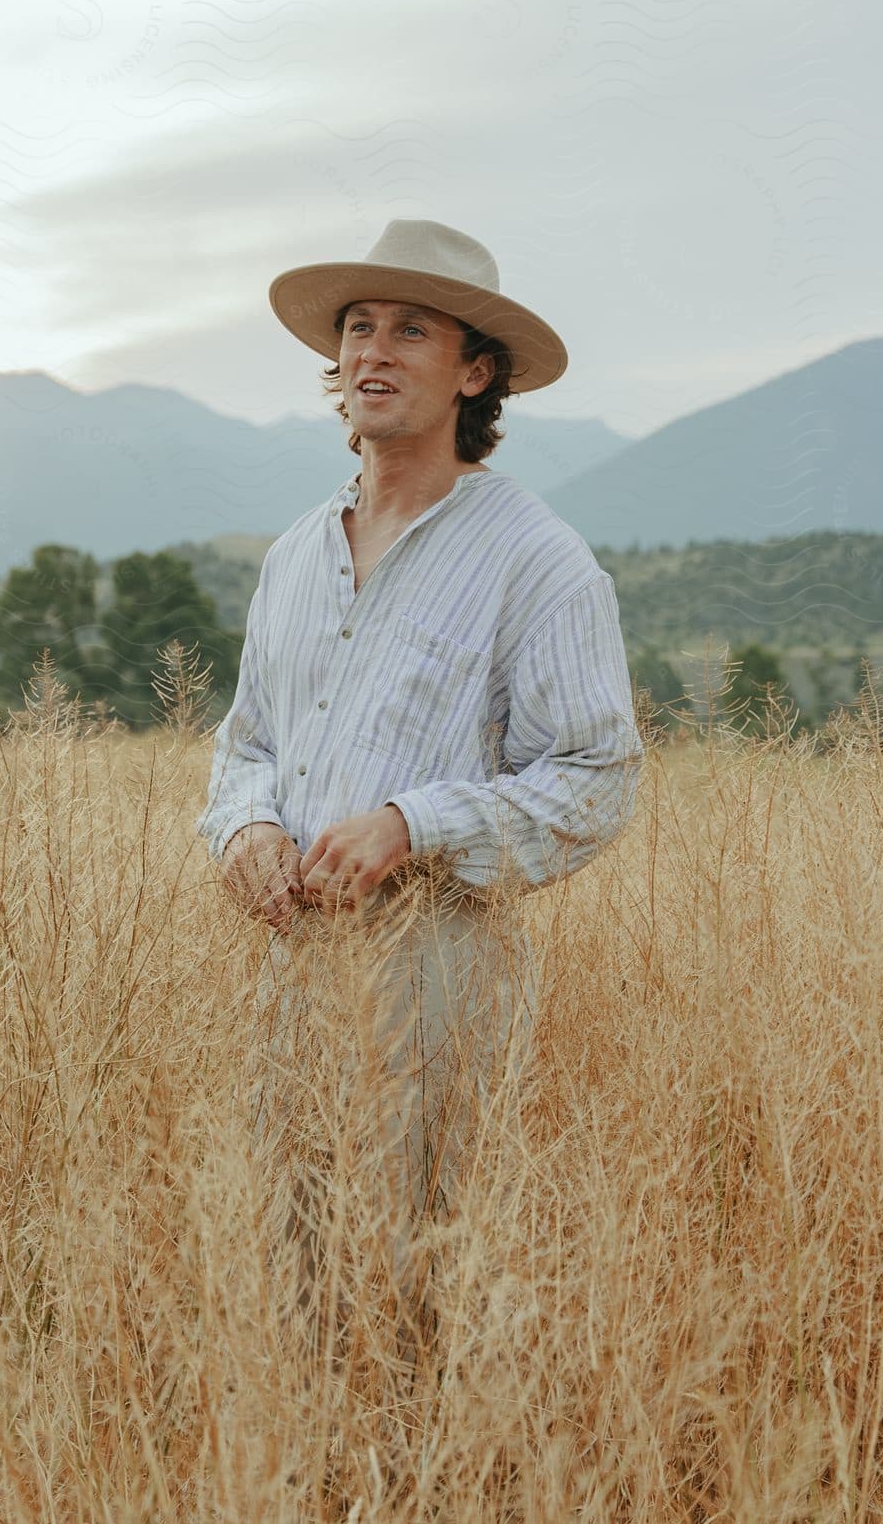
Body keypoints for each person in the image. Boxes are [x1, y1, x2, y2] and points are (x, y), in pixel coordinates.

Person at [195, 218, 643, 1382]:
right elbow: (243, 742)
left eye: (411, 329)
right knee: (286, 1269)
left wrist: (413, 824)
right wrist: (242, 824)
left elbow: (596, 773)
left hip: (435, 968)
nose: (374, 352)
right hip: (282, 967)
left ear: (474, 371)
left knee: (414, 1281)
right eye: (357, 327)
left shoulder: (536, 560)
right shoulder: (294, 553)